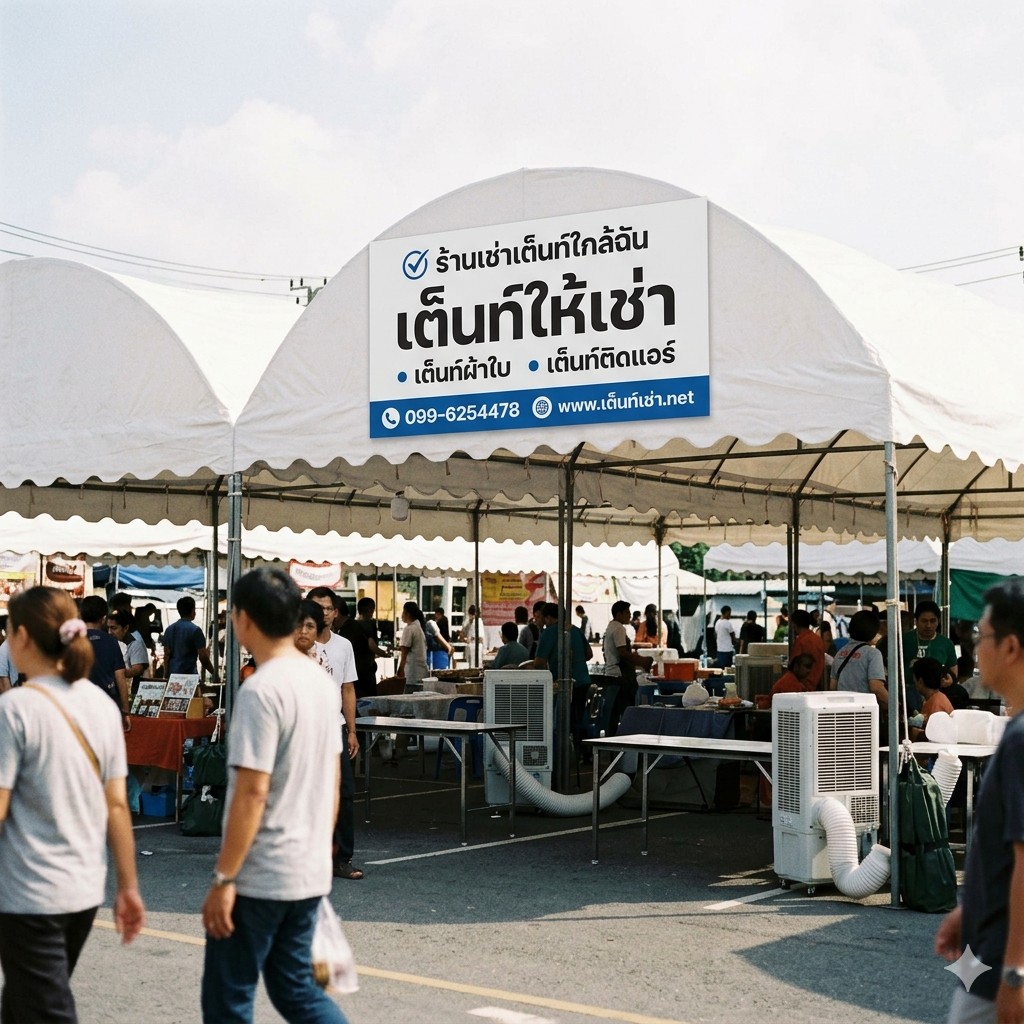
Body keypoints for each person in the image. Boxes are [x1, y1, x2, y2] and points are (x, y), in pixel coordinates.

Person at [200, 568, 347, 1024]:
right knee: (297, 990)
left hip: (261, 871)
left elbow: (251, 793)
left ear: (243, 619)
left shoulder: (261, 690)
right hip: (308, 867)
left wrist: (225, 879)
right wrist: (321, 848)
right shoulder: (319, 684)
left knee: (228, 999)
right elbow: (333, 780)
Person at [0, 587, 145, 1022]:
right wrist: (128, 886)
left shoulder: (15, 708)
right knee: (25, 1001)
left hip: (29, 892)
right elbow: (117, 806)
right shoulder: (101, 706)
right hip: (83, 888)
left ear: (23, 637)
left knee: (45, 1007)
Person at [935, 580, 1024, 1023]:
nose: (974, 648)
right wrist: (969, 910)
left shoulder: (1021, 740)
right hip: (986, 947)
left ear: (1010, 647)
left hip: (999, 964)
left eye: (980, 636)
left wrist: (1015, 975)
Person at [305, 589, 361, 883]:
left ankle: (341, 859)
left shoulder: (343, 646)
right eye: (318, 607)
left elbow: (348, 689)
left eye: (328, 608)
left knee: (344, 794)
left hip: (334, 729)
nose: (323, 613)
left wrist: (352, 730)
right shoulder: (296, 643)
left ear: (335, 613)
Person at [528, 603, 592, 744]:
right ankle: (581, 751)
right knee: (578, 718)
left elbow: (539, 662)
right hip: (583, 680)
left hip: (565, 683)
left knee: (562, 722)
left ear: (549, 618)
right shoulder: (575, 630)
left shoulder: (550, 632)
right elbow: (589, 654)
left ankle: (563, 750)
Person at [81, 595, 130, 728]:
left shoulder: (72, 640)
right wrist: (125, 711)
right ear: (103, 619)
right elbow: (120, 677)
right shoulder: (112, 642)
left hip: (78, 705)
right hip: (106, 705)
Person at [603, 601, 654, 725]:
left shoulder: (611, 626)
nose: (630, 615)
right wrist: (642, 661)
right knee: (626, 712)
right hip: (621, 676)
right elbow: (623, 653)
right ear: (618, 614)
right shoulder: (618, 628)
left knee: (614, 714)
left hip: (612, 674)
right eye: (627, 613)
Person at [903, 600, 958, 713]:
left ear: (938, 621)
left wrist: (949, 681)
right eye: (924, 621)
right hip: (906, 696)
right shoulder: (903, 640)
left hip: (936, 697)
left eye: (933, 621)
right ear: (916, 621)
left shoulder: (946, 644)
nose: (928, 625)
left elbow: (954, 673)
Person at [829, 609, 888, 710]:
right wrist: (895, 705)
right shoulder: (873, 654)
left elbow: (833, 687)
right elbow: (876, 687)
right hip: (864, 712)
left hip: (842, 711)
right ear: (873, 632)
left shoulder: (840, 653)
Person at [161, 596, 218, 682]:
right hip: (189, 678)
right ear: (193, 611)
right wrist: (214, 673)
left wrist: (165, 675)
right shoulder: (196, 630)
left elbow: (166, 656)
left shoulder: (169, 630)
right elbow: (203, 658)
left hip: (172, 677)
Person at [337, 598, 378, 700]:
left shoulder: (351, 627)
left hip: (357, 675)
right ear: (371, 610)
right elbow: (372, 645)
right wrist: (384, 653)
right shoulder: (366, 625)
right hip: (365, 674)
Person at [908, 656, 954, 740]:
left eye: (914, 681)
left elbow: (936, 737)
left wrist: (916, 734)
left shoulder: (937, 704)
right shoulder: (932, 699)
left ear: (920, 681)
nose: (914, 684)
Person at [108, 608, 150, 683]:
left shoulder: (135, 642)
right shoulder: (117, 641)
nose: (109, 632)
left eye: (114, 628)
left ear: (126, 628)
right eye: (108, 628)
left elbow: (137, 669)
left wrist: (117, 673)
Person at [790, 609, 826, 690]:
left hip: (803, 687)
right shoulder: (818, 640)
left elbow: (794, 668)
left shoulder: (801, 641)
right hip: (817, 685)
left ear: (794, 625)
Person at [397, 601, 429, 692]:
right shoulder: (418, 627)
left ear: (407, 613)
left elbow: (405, 651)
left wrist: (401, 669)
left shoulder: (409, 628)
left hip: (411, 674)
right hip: (420, 673)